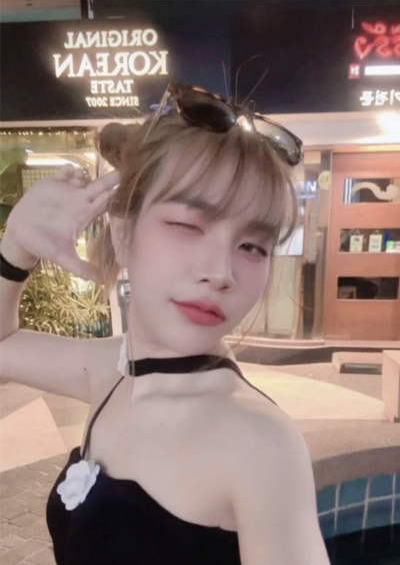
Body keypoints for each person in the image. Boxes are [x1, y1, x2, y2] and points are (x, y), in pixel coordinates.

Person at [0, 82, 331, 564]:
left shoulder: (258, 444)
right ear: (123, 233)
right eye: (188, 225)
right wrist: (15, 248)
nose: (220, 272)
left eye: (252, 246)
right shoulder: (112, 370)